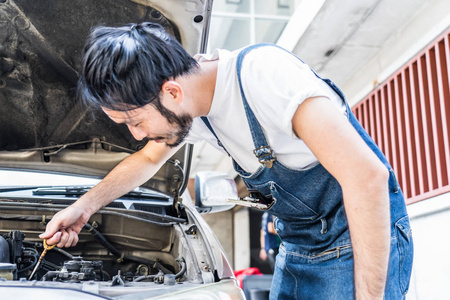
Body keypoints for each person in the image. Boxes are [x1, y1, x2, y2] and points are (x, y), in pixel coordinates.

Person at [39, 22, 414, 299]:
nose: (136, 134)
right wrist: (84, 207)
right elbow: (147, 160)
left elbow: (367, 177)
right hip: (298, 246)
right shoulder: (193, 106)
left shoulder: (265, 77)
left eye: (135, 121)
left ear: (171, 91)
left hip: (354, 243)